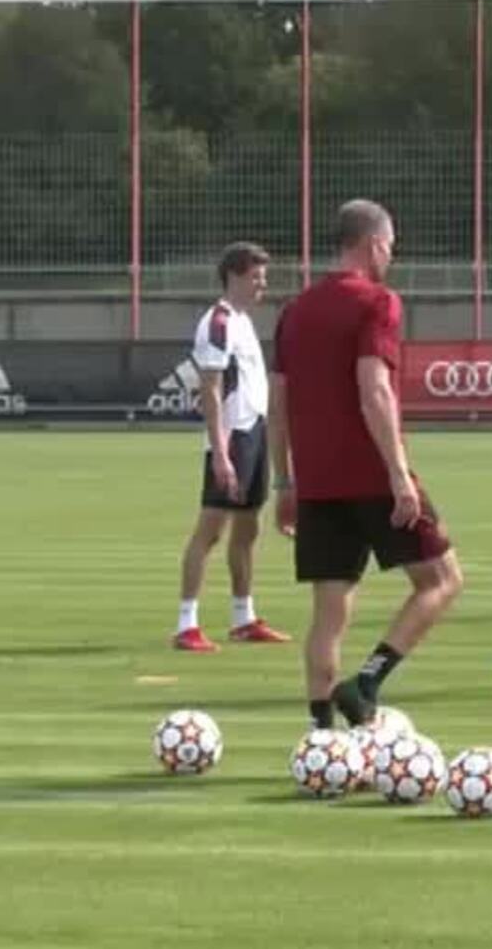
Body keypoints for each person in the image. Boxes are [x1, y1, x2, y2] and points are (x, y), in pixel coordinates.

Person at [269, 200, 463, 728]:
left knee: (329, 610)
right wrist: (399, 475)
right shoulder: (377, 302)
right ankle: (368, 682)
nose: (391, 258)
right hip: (371, 473)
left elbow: (279, 401)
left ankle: (321, 736)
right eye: (390, 248)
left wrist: (284, 480)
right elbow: (374, 388)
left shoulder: (295, 311)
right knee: (442, 580)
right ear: (374, 243)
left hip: (316, 481)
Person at [173, 242, 292, 652]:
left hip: (253, 431)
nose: (263, 285)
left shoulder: (240, 321)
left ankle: (243, 617)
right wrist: (221, 451)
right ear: (235, 276)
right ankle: (186, 623)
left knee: (248, 528)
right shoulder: (218, 322)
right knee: (209, 531)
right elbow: (210, 386)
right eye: (256, 277)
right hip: (233, 437)